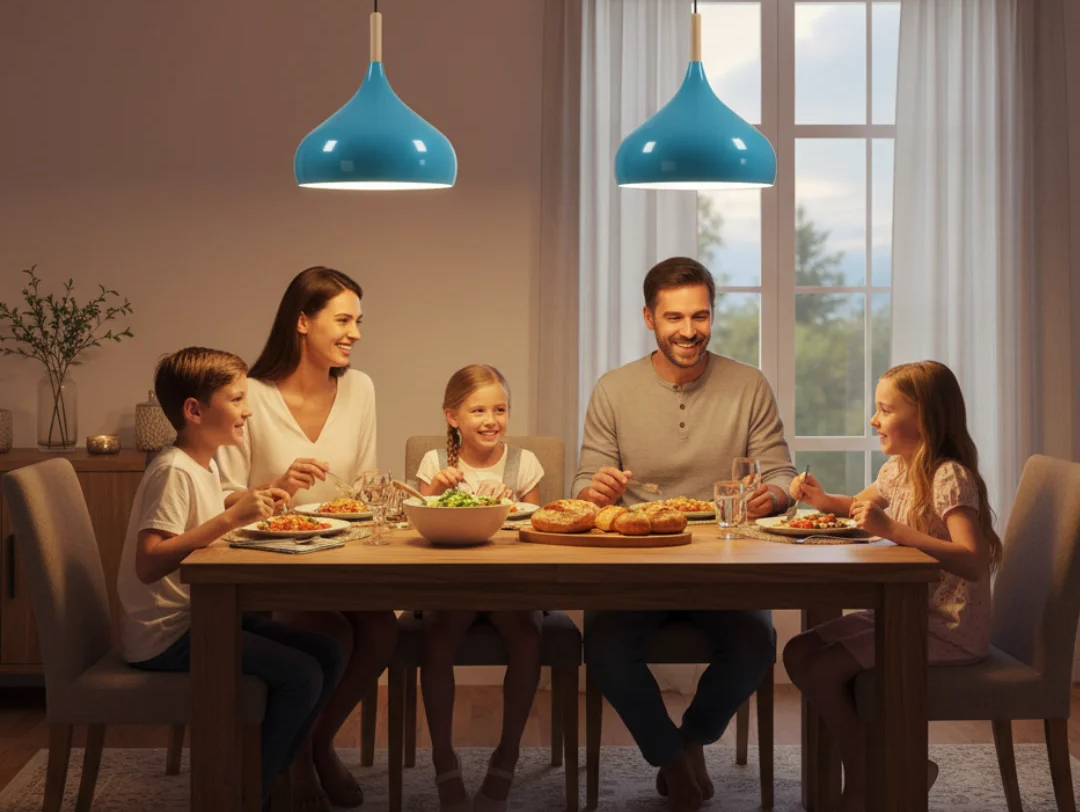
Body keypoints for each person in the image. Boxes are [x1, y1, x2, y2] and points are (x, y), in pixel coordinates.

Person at [573, 256, 796, 812]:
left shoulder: (749, 385)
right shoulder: (613, 389)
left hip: (725, 564)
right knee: (604, 649)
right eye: (675, 317)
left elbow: (782, 474)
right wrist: (595, 490)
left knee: (755, 645)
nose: (689, 331)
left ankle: (692, 739)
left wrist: (778, 494)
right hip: (634, 565)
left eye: (700, 316)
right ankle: (671, 756)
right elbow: (582, 484)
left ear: (712, 315)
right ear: (649, 318)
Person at [118, 348, 344, 806]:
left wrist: (276, 487)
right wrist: (228, 521)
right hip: (166, 634)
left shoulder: (204, 462)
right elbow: (149, 562)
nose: (248, 410)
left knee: (327, 652)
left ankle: (270, 771)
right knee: (302, 675)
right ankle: (247, 790)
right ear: (195, 410)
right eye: (237, 399)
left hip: (199, 615)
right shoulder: (171, 471)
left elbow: (222, 500)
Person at [216, 267, 397, 812]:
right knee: (327, 630)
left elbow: (362, 486)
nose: (356, 333)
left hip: (342, 556)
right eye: (343, 319)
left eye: (358, 321)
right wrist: (276, 488)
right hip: (266, 562)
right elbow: (223, 497)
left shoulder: (359, 388)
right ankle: (299, 759)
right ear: (302, 321)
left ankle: (315, 742)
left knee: (382, 630)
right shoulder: (247, 393)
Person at [783, 360, 1001, 812]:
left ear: (923, 418)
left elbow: (975, 560)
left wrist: (894, 530)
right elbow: (861, 506)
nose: (873, 420)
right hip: (908, 615)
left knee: (822, 668)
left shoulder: (948, 476)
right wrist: (825, 501)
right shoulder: (899, 468)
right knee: (798, 652)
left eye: (884, 410)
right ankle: (886, 765)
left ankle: (865, 776)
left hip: (948, 628)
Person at [416, 364, 544, 812]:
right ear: (453, 417)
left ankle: (507, 754)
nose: (491, 419)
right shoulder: (436, 463)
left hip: (508, 583)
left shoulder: (524, 462)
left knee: (528, 639)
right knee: (436, 640)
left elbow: (540, 530)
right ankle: (443, 758)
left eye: (500, 409)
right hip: (453, 583)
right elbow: (418, 525)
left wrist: (512, 500)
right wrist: (434, 489)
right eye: (478, 410)